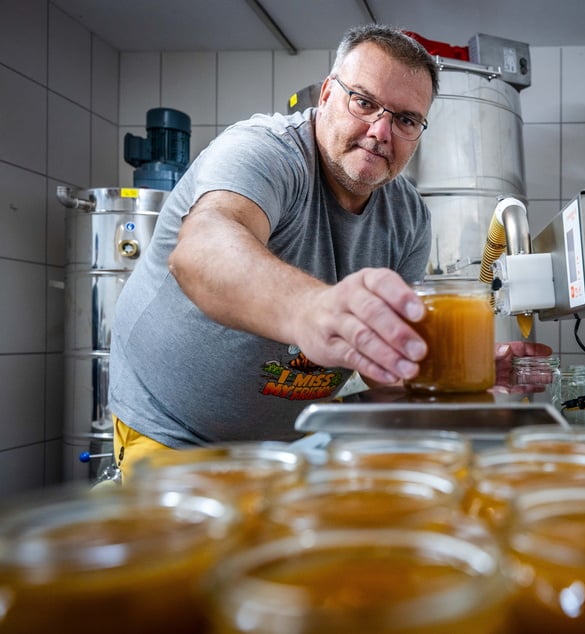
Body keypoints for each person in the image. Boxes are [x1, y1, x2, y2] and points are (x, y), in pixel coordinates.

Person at [107, 23, 551, 479]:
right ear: (325, 95)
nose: (381, 131)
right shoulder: (266, 151)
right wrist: (312, 308)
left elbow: (388, 376)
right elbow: (201, 249)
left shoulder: (409, 217)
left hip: (291, 445)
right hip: (174, 432)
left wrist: (457, 376)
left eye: (406, 119)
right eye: (364, 102)